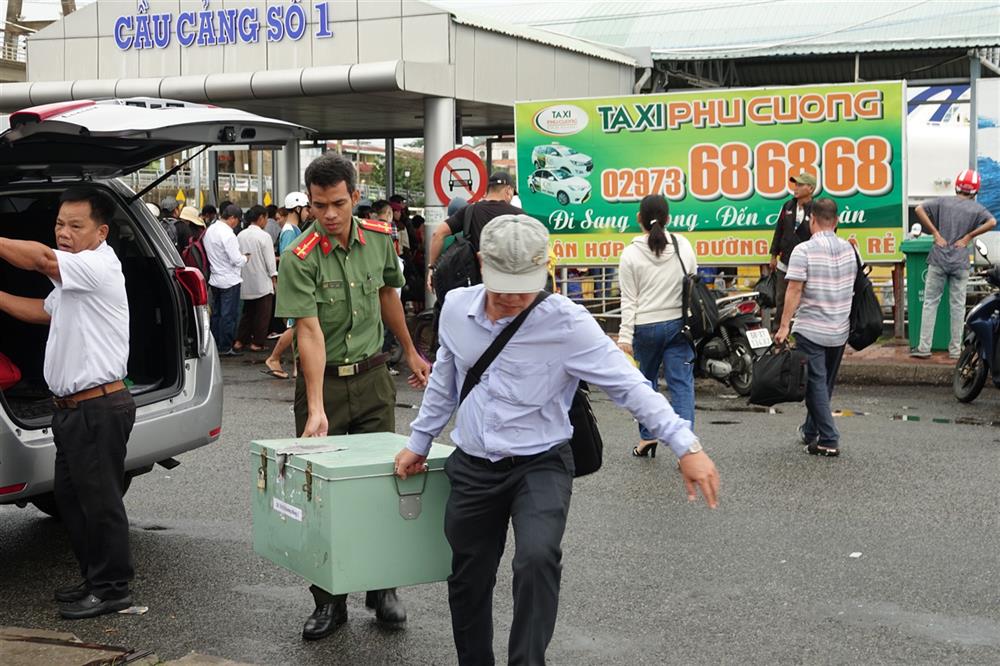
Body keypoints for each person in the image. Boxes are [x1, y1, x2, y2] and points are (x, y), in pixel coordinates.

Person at [394, 214, 719, 666]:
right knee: (469, 576)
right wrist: (420, 440)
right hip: (472, 464)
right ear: (482, 263)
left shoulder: (566, 322)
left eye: (524, 284)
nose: (512, 297)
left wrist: (687, 446)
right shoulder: (455, 309)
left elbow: (630, 386)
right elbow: (446, 379)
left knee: (537, 559)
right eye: (502, 283)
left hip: (540, 463)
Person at [274, 152, 431, 640]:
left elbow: (389, 296)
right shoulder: (297, 256)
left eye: (338, 203)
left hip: (373, 380)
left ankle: (382, 590)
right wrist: (317, 407)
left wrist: (409, 350)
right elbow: (309, 332)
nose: (329, 215)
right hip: (324, 386)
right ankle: (328, 600)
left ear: (355, 197)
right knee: (321, 494)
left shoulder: (380, 240)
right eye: (319, 206)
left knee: (383, 485)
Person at [0, 187, 136, 619]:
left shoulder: (97, 265)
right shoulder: (74, 278)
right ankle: (94, 579)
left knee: (100, 503)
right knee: (72, 499)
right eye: (59, 224)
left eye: (75, 226)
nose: (64, 233)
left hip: (98, 406)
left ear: (101, 232)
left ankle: (113, 590)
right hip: (72, 410)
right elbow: (45, 310)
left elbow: (41, 260)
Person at [774, 198, 857, 457]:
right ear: (837, 221)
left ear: (812, 220)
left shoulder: (803, 251)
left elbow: (795, 289)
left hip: (811, 328)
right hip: (839, 328)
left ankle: (829, 439)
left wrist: (784, 325)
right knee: (823, 384)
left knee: (815, 383)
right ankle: (810, 432)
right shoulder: (850, 249)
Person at [617, 194, 697, 456]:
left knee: (645, 385)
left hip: (645, 328)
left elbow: (629, 300)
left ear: (638, 218)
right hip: (679, 326)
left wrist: (624, 338)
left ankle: (647, 436)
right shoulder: (683, 245)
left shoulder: (630, 254)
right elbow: (692, 283)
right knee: (681, 384)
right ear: (668, 218)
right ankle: (685, 447)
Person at [911, 169, 997, 359]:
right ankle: (955, 350)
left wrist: (935, 233)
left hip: (939, 258)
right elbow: (992, 221)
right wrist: (969, 236)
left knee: (930, 303)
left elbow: (918, 209)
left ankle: (924, 348)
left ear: (957, 185)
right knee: (957, 306)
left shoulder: (943, 201)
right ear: (975, 190)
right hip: (960, 261)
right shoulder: (977, 209)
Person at [426, 172, 522, 293]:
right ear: (508, 190)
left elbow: (437, 234)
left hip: (475, 286)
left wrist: (431, 268)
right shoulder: (519, 215)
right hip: (508, 286)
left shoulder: (470, 210)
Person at [262, 193, 311, 378]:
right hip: (293, 284)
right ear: (297, 209)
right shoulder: (291, 231)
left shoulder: (293, 229)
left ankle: (297, 367)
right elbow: (289, 260)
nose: (308, 212)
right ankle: (274, 357)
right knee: (295, 326)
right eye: (306, 209)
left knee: (297, 325)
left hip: (293, 283)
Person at [768, 172, 816, 331]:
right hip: (785, 261)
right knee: (781, 298)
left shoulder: (816, 209)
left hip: (807, 264)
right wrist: (773, 255)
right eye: (795, 184)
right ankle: (778, 332)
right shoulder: (787, 206)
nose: (796, 188)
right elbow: (779, 230)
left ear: (810, 188)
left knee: (806, 299)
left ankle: (802, 332)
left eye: (800, 185)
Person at [203, 203, 248, 357]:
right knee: (228, 316)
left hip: (215, 279)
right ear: (233, 219)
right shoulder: (228, 234)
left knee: (216, 314)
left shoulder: (210, 230)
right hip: (230, 280)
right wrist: (245, 258)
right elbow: (236, 260)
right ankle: (225, 346)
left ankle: (214, 344)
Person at [235, 205, 278, 352]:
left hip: (245, 280)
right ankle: (257, 343)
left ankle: (240, 340)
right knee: (263, 314)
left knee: (248, 313)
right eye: (266, 218)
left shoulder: (240, 235)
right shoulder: (264, 236)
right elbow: (270, 261)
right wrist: (274, 277)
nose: (266, 221)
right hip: (262, 281)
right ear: (261, 218)